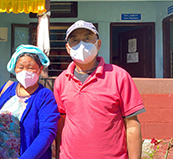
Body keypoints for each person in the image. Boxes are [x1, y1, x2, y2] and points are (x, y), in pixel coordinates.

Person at [54, 20, 145, 159]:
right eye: (75, 40)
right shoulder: (62, 80)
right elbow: (61, 123)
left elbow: (132, 124)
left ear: (98, 44)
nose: (81, 44)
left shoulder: (119, 76)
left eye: (87, 38)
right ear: (68, 48)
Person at [0, 45, 59, 159]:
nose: (25, 71)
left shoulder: (45, 96)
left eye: (31, 68)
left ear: (40, 69)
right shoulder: (6, 89)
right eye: (20, 67)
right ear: (14, 69)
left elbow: (47, 132)